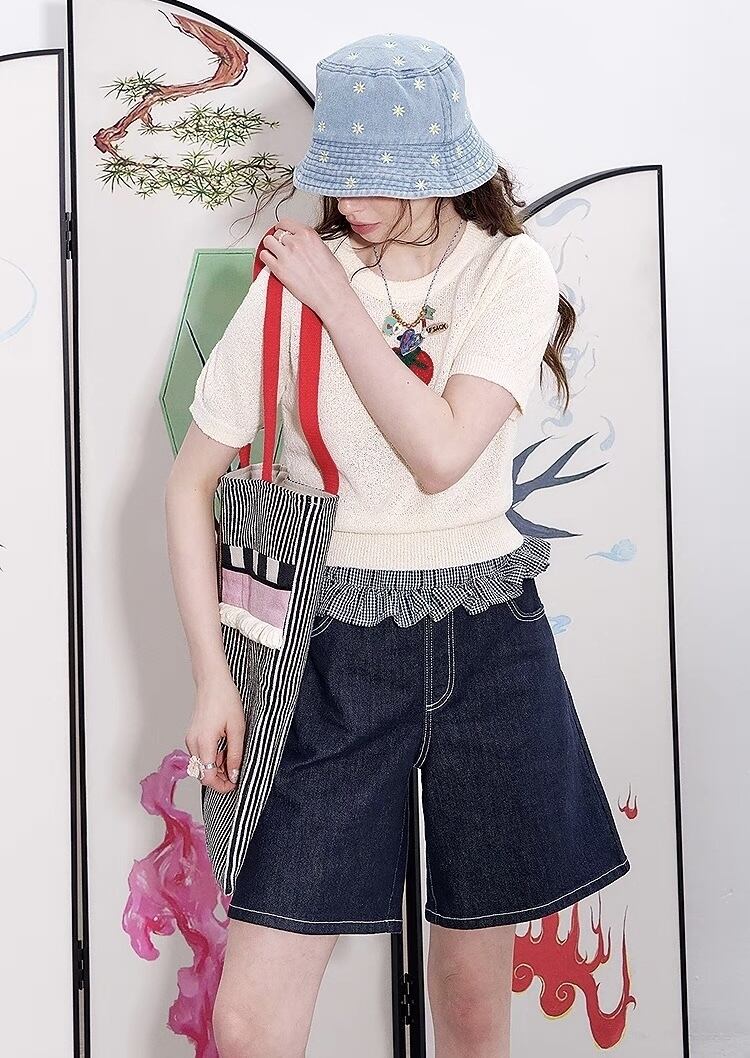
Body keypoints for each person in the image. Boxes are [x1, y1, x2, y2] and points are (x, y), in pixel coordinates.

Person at [165, 32, 631, 1058]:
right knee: (249, 1021)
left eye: (384, 178)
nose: (354, 203)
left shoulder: (509, 271)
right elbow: (188, 481)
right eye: (343, 175)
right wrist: (212, 678)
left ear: (446, 166)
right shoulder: (291, 279)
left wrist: (337, 300)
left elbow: (440, 454)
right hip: (328, 651)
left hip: (489, 643)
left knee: (472, 1011)